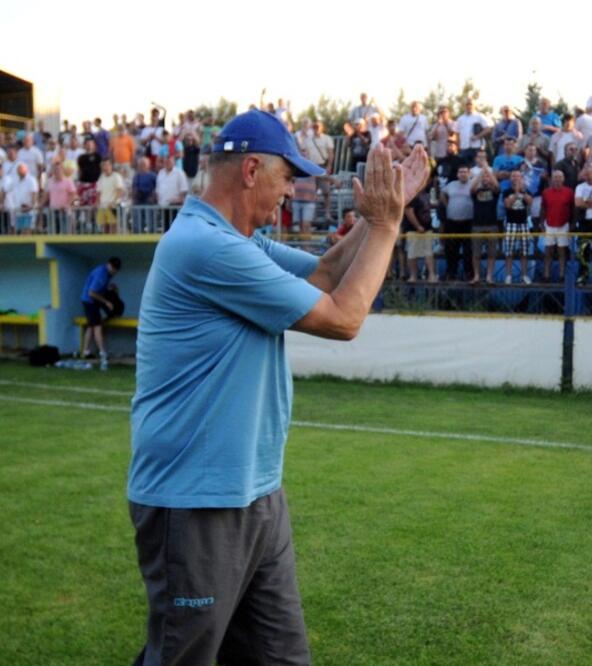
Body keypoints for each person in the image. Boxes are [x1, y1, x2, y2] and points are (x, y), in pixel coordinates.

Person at [127, 110, 429, 664]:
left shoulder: (236, 243)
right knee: (182, 656)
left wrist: (381, 213)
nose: (291, 192)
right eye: (287, 177)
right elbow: (343, 316)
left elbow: (324, 276)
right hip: (195, 501)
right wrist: (386, 226)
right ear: (249, 171)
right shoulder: (206, 246)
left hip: (256, 493)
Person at [80, 256, 122, 370]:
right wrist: (106, 302)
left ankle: (86, 352)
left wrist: (110, 289)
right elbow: (92, 292)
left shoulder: (107, 273)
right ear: (109, 265)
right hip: (89, 301)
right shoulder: (101, 274)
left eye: (116, 269)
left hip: (91, 300)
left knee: (91, 326)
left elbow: (99, 288)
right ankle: (103, 354)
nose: (114, 271)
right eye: (114, 268)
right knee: (97, 327)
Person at [440, 165, 474, 281]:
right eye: (461, 172)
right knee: (451, 250)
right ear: (457, 174)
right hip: (452, 222)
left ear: (469, 173)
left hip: (468, 222)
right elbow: (442, 194)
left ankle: (469, 273)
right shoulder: (451, 184)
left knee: (468, 250)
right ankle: (451, 273)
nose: (463, 174)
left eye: (465, 172)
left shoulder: (473, 184)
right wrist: (447, 205)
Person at [470, 160, 501, 284]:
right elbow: (472, 187)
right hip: (477, 225)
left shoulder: (494, 192)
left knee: (491, 253)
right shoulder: (476, 192)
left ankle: (489, 276)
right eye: (484, 177)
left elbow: (497, 185)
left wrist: (487, 170)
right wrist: (481, 174)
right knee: (476, 253)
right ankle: (476, 276)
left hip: (492, 225)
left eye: (487, 177)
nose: (486, 179)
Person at [540, 170, 573, 282]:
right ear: (552, 179)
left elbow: (573, 209)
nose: (557, 179)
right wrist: (541, 223)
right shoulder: (546, 192)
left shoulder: (569, 192)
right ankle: (546, 275)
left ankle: (561, 275)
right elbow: (543, 208)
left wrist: (572, 225)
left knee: (561, 251)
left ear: (563, 179)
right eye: (555, 177)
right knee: (548, 250)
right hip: (549, 224)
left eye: (559, 177)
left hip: (563, 225)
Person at [503, 172, 533, 284]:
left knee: (524, 251)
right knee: (509, 250)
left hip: (524, 223)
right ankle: (508, 275)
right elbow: (508, 205)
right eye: (513, 176)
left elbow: (530, 202)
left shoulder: (526, 190)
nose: (516, 178)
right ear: (510, 178)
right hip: (511, 223)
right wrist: (516, 193)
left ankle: (524, 275)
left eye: (518, 176)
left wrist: (522, 192)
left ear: (521, 178)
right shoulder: (506, 191)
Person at [403, 187, 437, 282]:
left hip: (427, 228)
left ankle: (431, 275)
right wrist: (417, 226)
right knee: (412, 253)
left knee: (429, 252)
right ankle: (413, 276)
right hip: (413, 229)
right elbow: (408, 211)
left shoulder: (426, 194)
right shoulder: (411, 194)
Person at [95, 159, 125, 234]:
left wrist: (113, 203)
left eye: (107, 165)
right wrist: (98, 203)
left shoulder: (116, 176)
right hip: (103, 206)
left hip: (113, 206)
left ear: (111, 166)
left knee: (114, 226)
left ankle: (115, 244)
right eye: (104, 165)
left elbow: (119, 191)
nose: (105, 167)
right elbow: (98, 192)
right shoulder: (101, 177)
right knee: (105, 227)